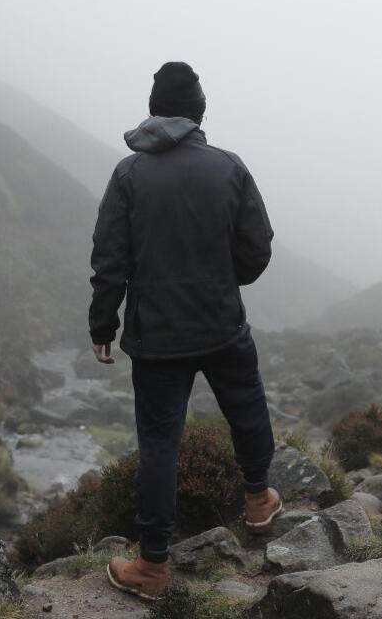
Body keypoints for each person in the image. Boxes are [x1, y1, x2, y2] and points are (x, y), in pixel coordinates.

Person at [89, 61, 281, 599]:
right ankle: (258, 501)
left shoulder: (129, 175)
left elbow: (110, 259)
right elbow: (257, 247)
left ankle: (152, 567)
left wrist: (103, 320)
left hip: (156, 337)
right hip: (222, 322)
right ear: (199, 111)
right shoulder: (229, 167)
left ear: (155, 111)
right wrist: (225, 280)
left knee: (158, 443)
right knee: (247, 406)